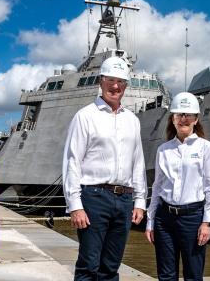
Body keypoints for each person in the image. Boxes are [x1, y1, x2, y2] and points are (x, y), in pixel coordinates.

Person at [62, 56, 147, 281]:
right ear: (101, 81)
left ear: (126, 86)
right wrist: (75, 206)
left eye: (120, 82)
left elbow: (137, 162)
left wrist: (140, 201)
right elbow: (72, 161)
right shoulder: (85, 116)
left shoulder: (133, 120)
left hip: (124, 200)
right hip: (94, 197)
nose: (115, 86)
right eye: (110, 80)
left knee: (111, 267)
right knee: (89, 266)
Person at [145, 92, 210, 281]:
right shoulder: (164, 150)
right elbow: (157, 187)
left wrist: (206, 222)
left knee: (193, 275)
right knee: (166, 275)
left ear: (196, 119)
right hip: (164, 219)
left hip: (192, 218)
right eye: (179, 115)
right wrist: (151, 220)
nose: (183, 119)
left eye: (188, 115)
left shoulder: (206, 148)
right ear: (173, 118)